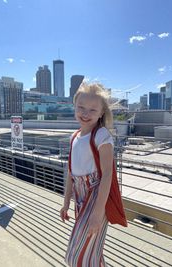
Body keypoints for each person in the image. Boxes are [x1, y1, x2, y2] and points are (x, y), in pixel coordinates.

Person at [60, 82, 127, 267]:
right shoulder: (74, 137)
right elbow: (71, 173)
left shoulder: (101, 135)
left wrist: (98, 213)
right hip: (81, 197)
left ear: (101, 113)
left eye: (92, 109)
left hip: (96, 196)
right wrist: (66, 202)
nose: (85, 113)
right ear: (74, 106)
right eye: (81, 107)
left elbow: (107, 175)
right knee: (91, 250)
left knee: (77, 257)